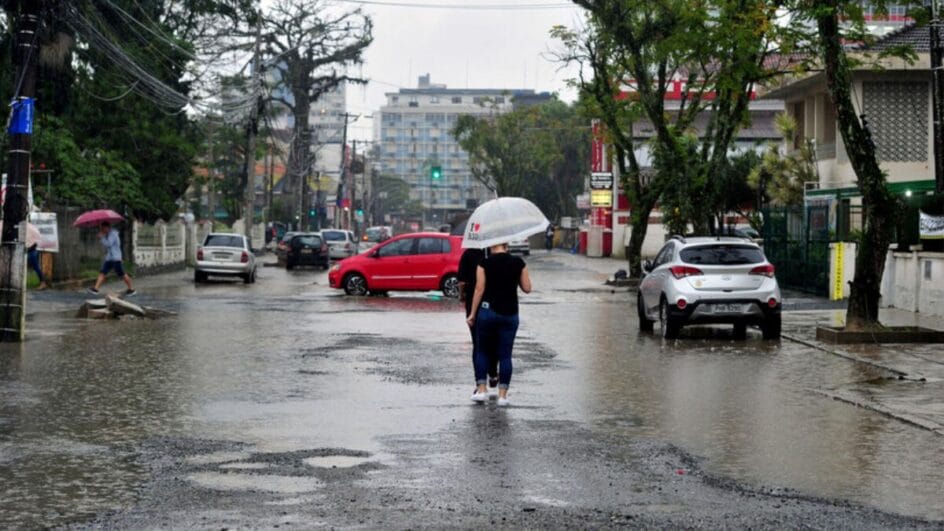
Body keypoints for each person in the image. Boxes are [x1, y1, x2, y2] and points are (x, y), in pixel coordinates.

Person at [466, 242, 531, 407]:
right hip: (510, 314)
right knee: (505, 355)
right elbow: (527, 288)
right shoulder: (519, 263)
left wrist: (473, 313)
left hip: (488, 312)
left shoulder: (484, 263)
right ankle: (503, 396)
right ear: (506, 245)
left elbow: (479, 289)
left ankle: (481, 390)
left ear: (491, 245)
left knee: (483, 351)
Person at [457, 247, 499, 394]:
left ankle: (480, 384)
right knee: (493, 340)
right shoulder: (496, 254)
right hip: (494, 302)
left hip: (472, 303)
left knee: (478, 343)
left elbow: (462, 282)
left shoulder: (469, 254)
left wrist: (462, 295)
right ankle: (493, 373)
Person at [88, 221, 136, 296]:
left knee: (122, 274)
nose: (102, 230)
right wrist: (103, 237)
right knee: (103, 272)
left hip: (116, 258)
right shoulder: (108, 234)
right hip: (109, 258)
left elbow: (109, 244)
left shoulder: (113, 234)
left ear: (107, 227)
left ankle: (131, 289)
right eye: (101, 229)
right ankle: (95, 289)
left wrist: (102, 238)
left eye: (103, 229)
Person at [26, 222, 48, 290]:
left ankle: (43, 283)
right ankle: (43, 283)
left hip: (31, 251)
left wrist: (28, 246)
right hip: (31, 250)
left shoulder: (28, 228)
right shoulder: (31, 228)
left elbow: (34, 242)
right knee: (36, 267)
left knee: (36, 267)